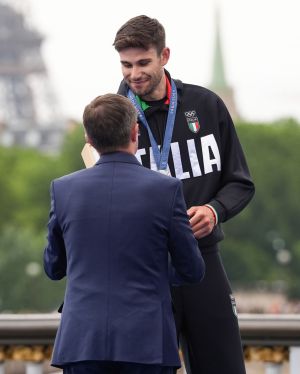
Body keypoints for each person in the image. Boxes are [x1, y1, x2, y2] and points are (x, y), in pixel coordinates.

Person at [113, 15, 255, 374]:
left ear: (165, 56)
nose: (134, 74)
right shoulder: (112, 117)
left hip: (203, 260)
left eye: (143, 62)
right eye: (126, 65)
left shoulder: (207, 105)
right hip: (143, 269)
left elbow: (240, 182)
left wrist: (215, 210)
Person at [43, 93, 205, 374]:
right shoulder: (166, 190)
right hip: (147, 342)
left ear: (88, 139)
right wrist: (154, 270)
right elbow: (192, 270)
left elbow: (53, 267)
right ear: (135, 132)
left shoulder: (63, 189)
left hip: (82, 342)